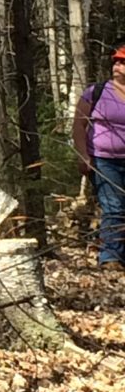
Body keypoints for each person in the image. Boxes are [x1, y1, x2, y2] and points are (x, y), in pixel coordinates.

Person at [72, 37, 125, 271]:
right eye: (115, 62)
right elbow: (78, 125)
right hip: (103, 160)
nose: (117, 67)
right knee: (114, 207)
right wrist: (83, 156)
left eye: (122, 63)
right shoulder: (96, 92)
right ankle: (110, 259)